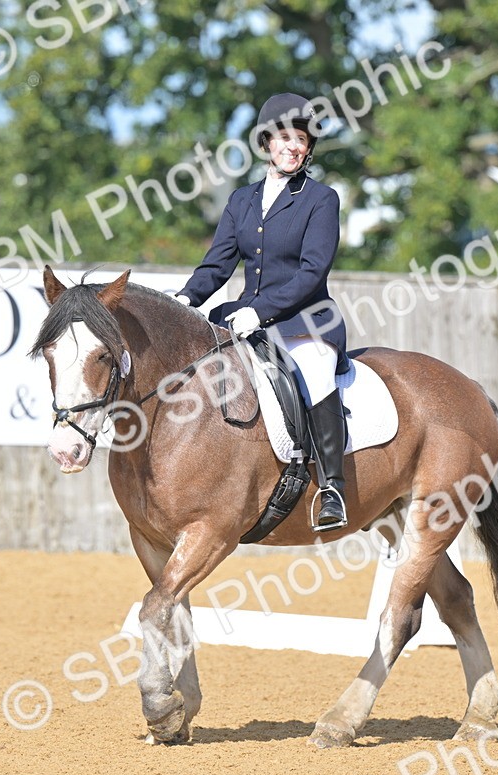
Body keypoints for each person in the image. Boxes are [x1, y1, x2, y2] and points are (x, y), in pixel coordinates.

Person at [174, 93, 350, 533]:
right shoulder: (242, 200)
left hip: (306, 322)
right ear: (268, 141)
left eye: (302, 140)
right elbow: (217, 264)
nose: (294, 146)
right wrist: (185, 300)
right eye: (285, 137)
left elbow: (312, 272)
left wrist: (260, 311)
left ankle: (332, 487)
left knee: (314, 370)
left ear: (309, 149)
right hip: (243, 318)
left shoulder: (320, 199)